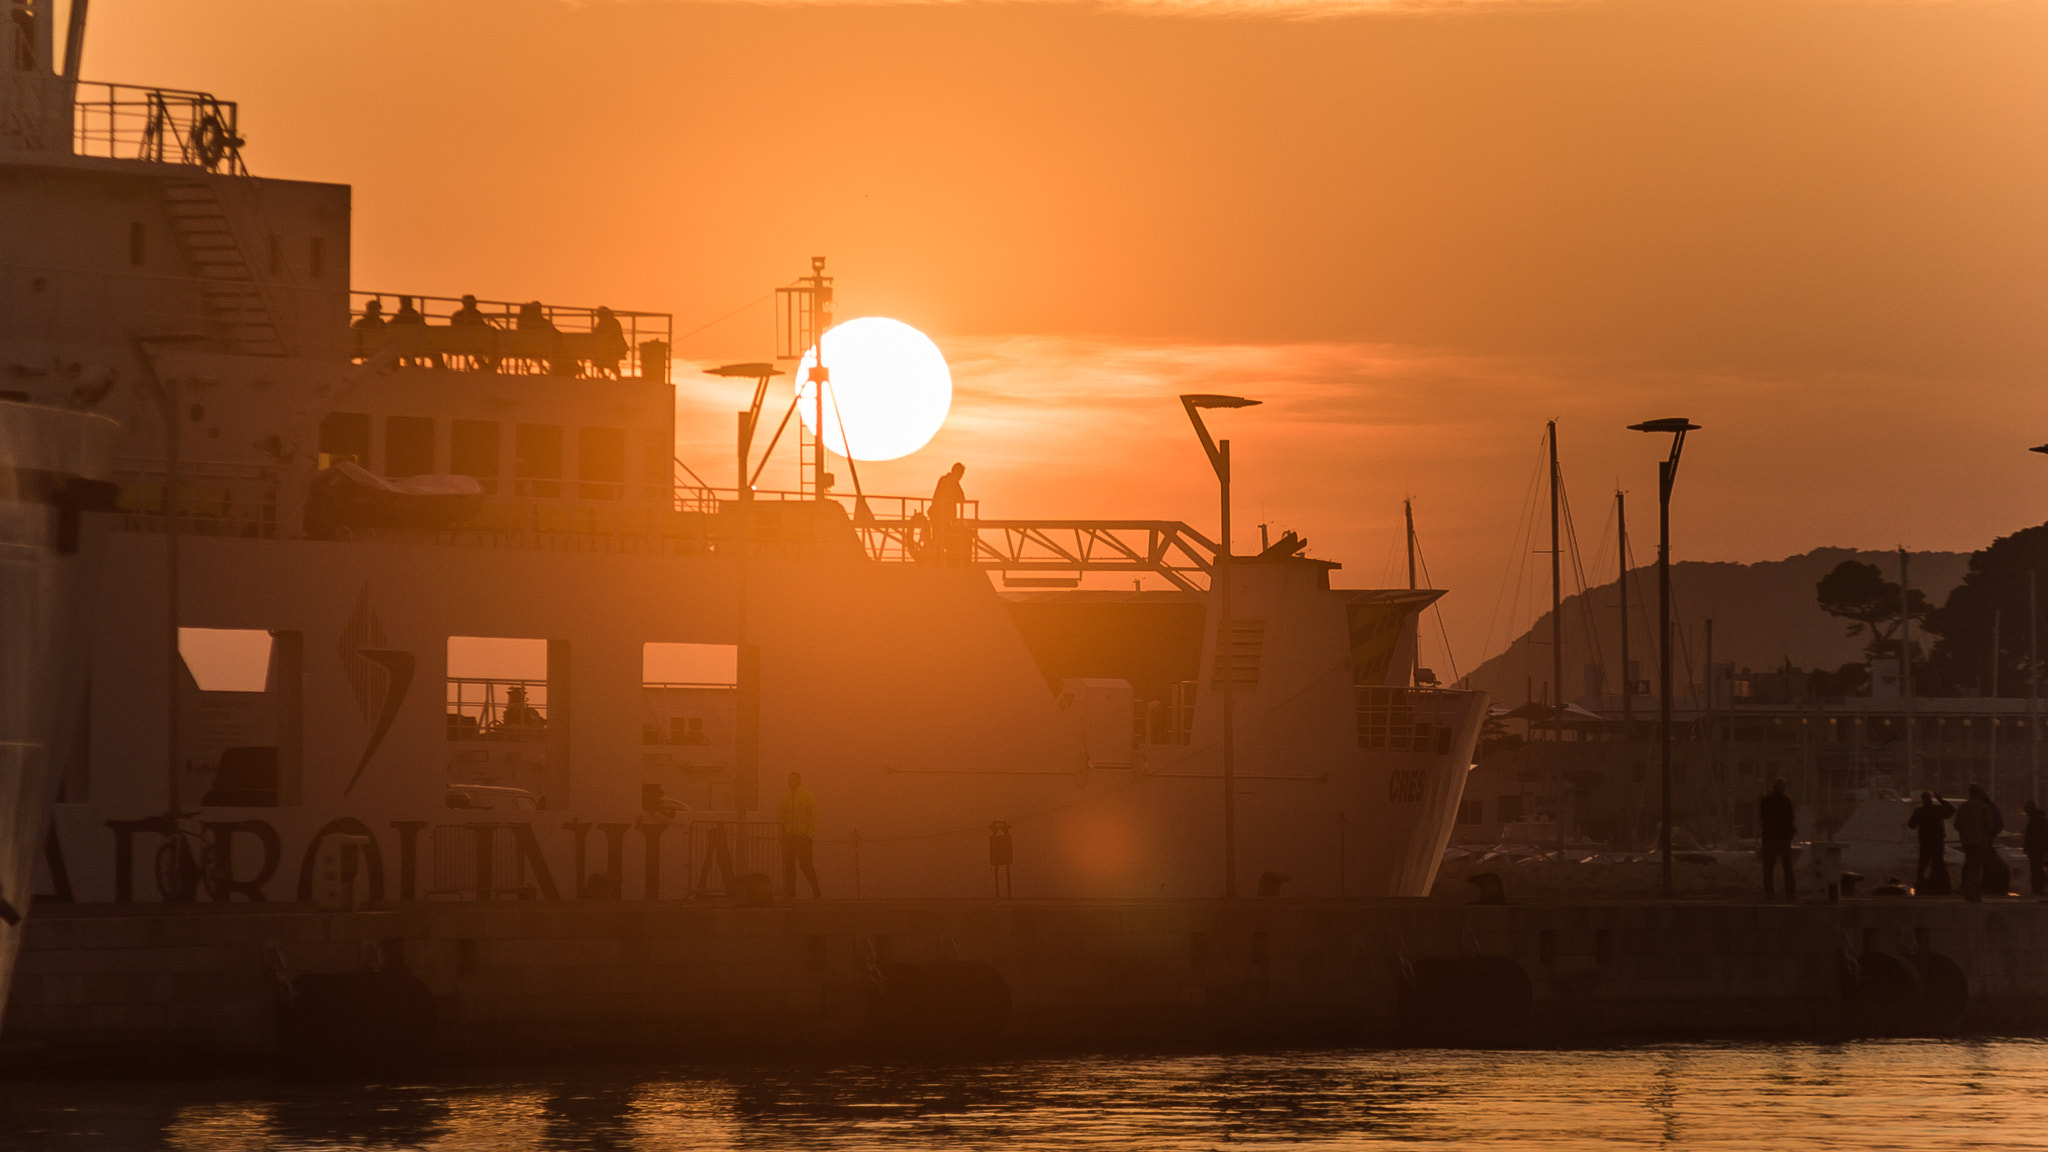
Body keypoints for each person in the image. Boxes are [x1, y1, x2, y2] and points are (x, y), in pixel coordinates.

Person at [1954, 782, 2004, 901]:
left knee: (1969, 865)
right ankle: (1974, 893)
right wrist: (1992, 834)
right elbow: (1989, 826)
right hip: (1980, 842)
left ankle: (1967, 891)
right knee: (1976, 868)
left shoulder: (1963, 807)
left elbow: (1957, 825)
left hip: (1966, 841)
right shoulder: (1984, 807)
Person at [779, 771, 821, 899]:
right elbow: (781, 818)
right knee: (789, 868)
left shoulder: (806, 797)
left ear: (799, 781)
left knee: (806, 866)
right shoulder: (784, 798)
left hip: (803, 838)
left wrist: (809, 835)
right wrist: (782, 836)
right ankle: (790, 896)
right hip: (789, 838)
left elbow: (813, 816)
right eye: (790, 779)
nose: (792, 782)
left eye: (795, 780)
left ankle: (816, 892)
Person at [1908, 791, 1955, 896]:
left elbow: (1911, 825)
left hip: (1925, 842)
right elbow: (1952, 811)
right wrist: (1941, 801)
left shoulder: (1919, 811)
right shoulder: (1937, 810)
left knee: (1922, 865)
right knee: (1938, 863)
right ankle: (1941, 886)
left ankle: (1920, 887)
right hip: (1937, 841)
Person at [1758, 778, 1796, 898]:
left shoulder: (1765, 801)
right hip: (1783, 838)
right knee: (1787, 866)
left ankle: (1769, 891)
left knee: (1768, 866)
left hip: (1769, 837)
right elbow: (1790, 818)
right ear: (1783, 788)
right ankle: (1790, 891)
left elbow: (1763, 817)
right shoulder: (1786, 802)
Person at [930, 462, 966, 564]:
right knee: (943, 538)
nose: (961, 477)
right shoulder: (951, 482)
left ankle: (938, 559)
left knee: (940, 538)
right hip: (942, 516)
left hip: (941, 515)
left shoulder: (945, 480)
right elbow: (961, 497)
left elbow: (961, 497)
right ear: (956, 472)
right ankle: (939, 560)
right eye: (960, 474)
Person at [2025, 800, 2048, 897]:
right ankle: (2040, 889)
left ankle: (2037, 889)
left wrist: (2027, 849)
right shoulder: (2042, 820)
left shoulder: (2033, 822)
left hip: (2036, 850)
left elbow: (2029, 837)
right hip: (2041, 849)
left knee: (2036, 870)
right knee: (2039, 869)